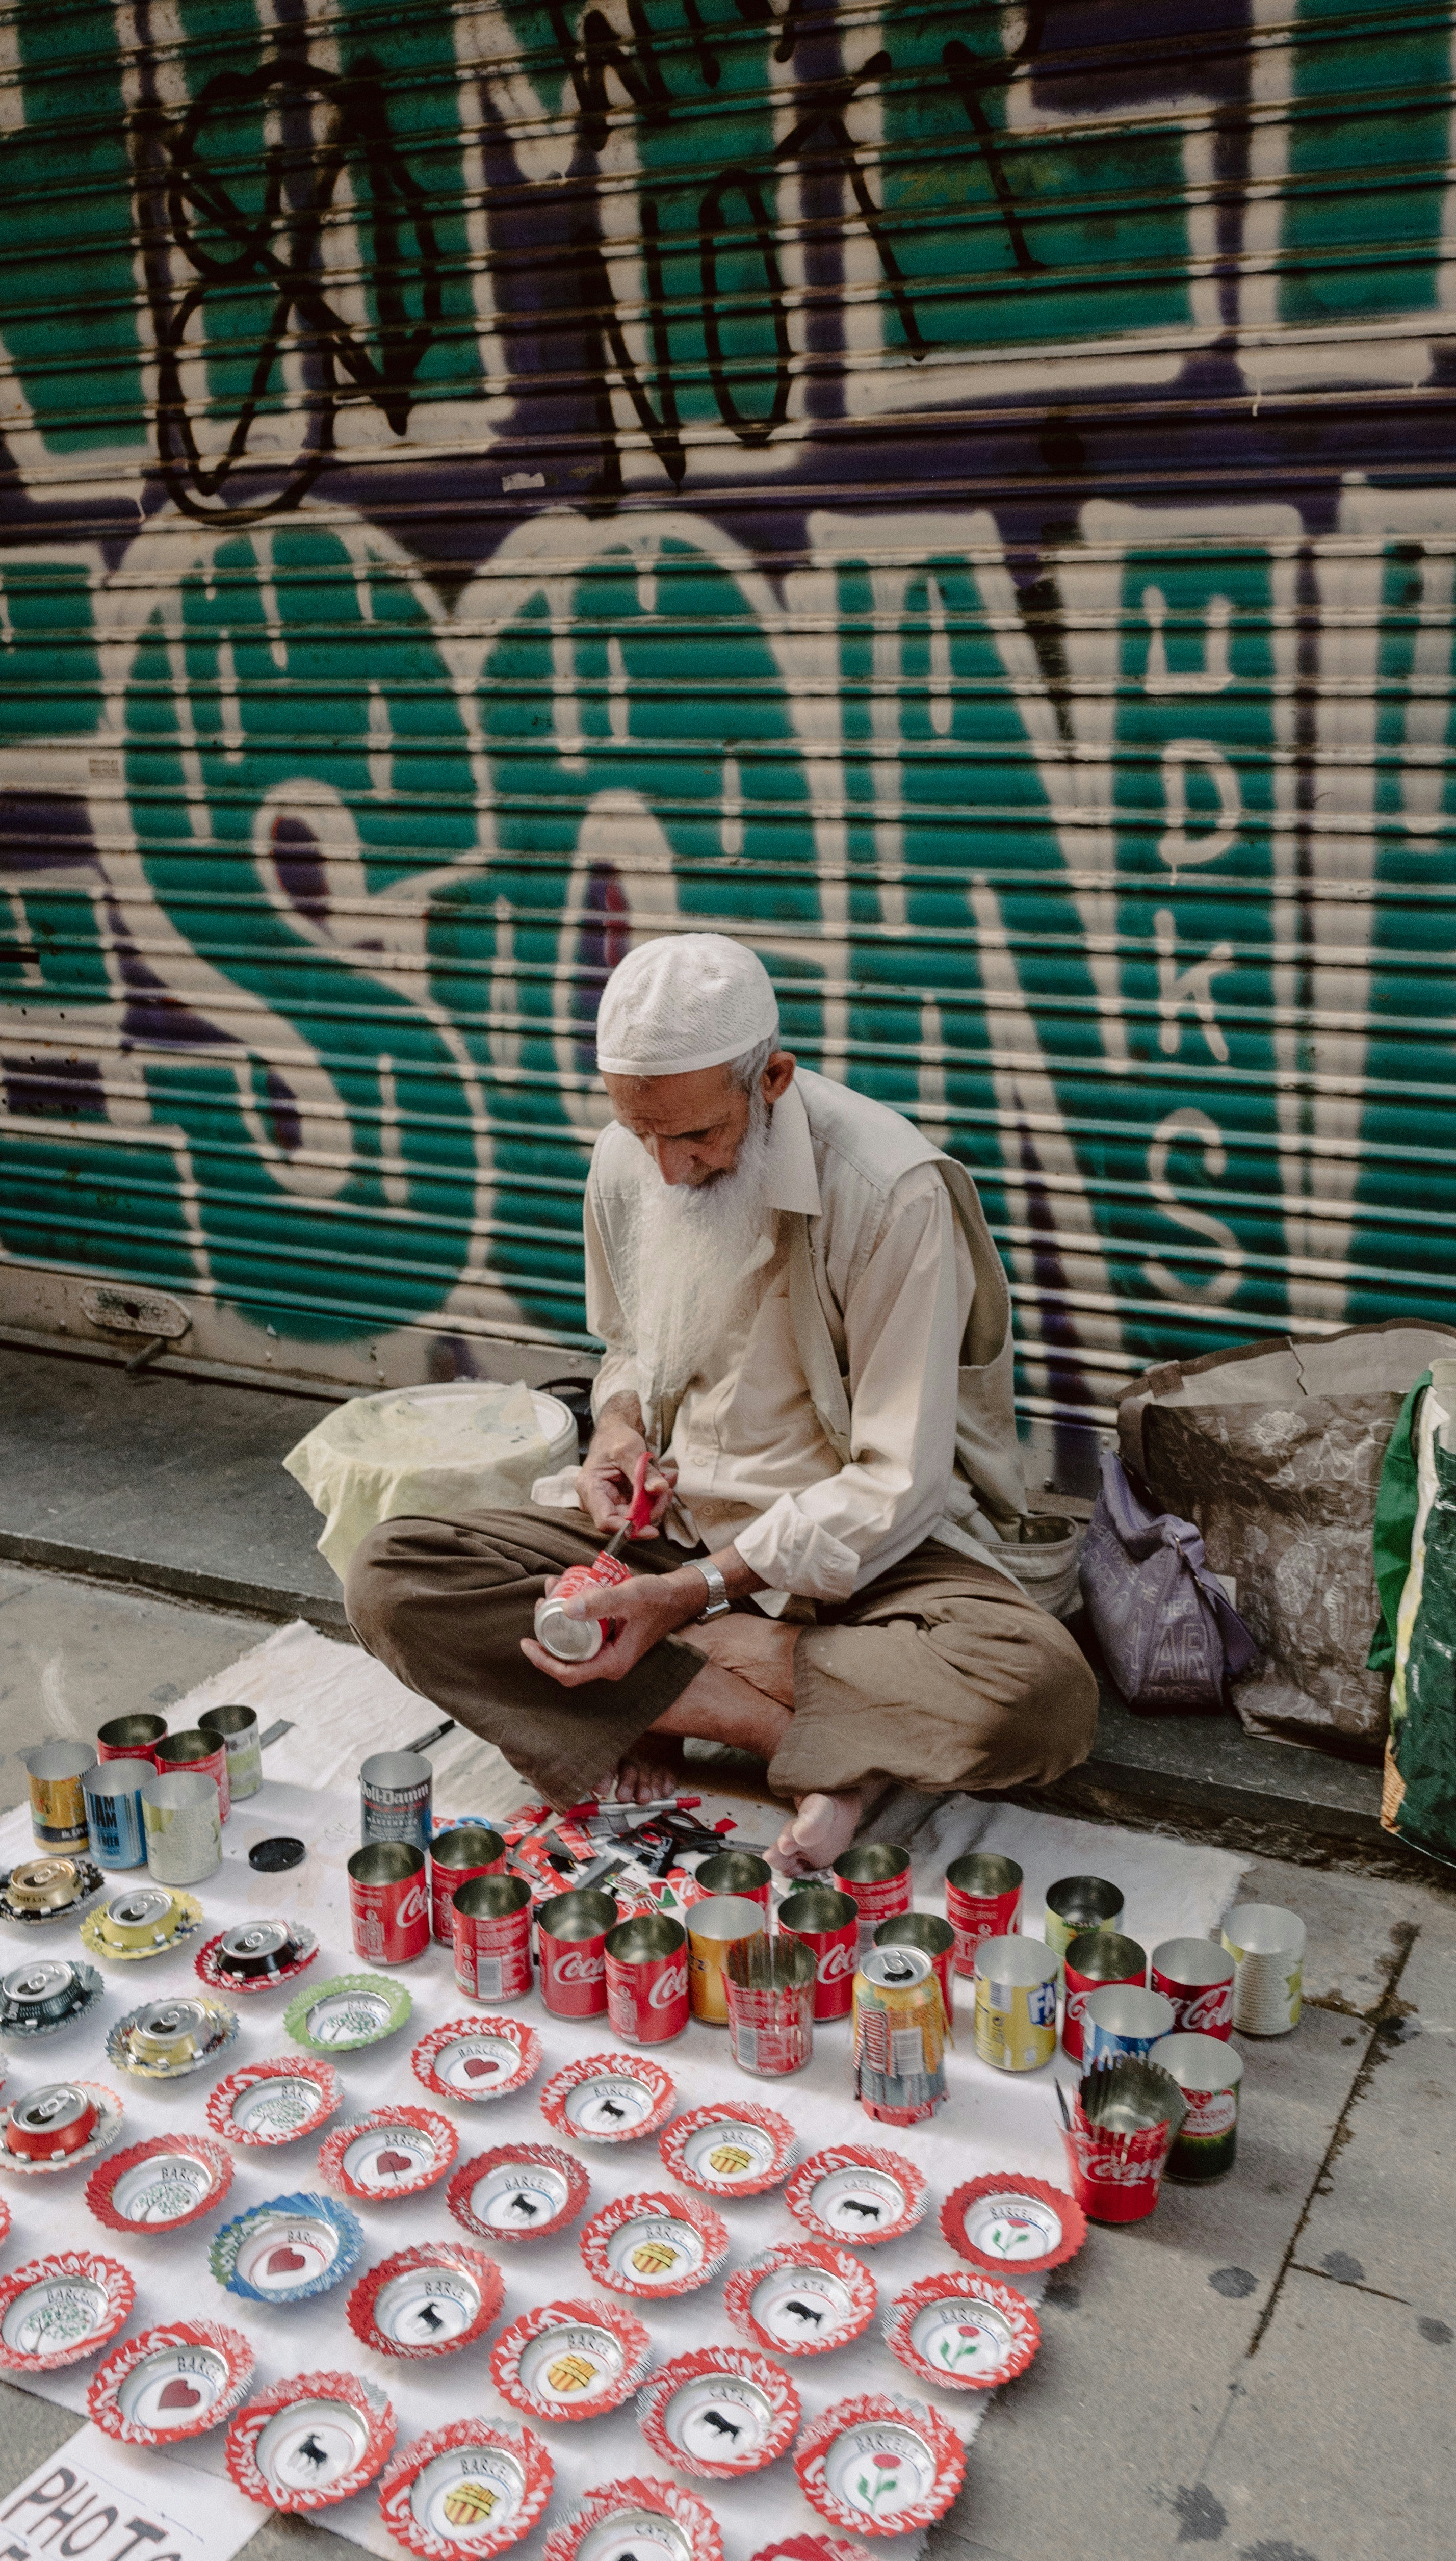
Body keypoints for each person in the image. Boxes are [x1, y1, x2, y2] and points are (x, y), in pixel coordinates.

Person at [347, 934, 1097, 1873]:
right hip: (673, 1530)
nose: (668, 1168)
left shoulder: (888, 1189)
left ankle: (670, 1684)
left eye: (698, 1137)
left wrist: (697, 1599)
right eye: (641, 1133)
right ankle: (795, 1734)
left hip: (860, 1564)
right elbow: (626, 1345)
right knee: (392, 1574)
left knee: (1041, 1693)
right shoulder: (632, 1156)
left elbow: (898, 1481)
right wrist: (615, 1431)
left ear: (772, 1078)